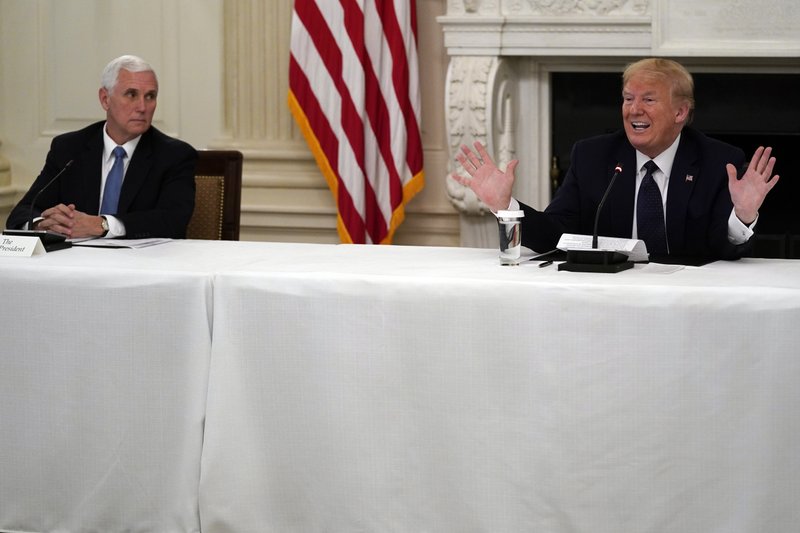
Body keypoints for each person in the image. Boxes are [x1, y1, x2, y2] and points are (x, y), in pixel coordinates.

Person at [452, 57, 780, 261]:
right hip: (613, 297)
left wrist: (743, 216)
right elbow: (556, 234)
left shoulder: (718, 160)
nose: (633, 110)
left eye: (648, 100)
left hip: (690, 301)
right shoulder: (592, 156)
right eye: (627, 98)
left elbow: (725, 251)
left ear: (681, 111)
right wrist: (507, 206)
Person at [6, 55, 197, 239]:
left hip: (141, 265)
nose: (142, 106)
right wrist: (43, 224)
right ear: (105, 99)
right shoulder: (69, 148)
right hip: (76, 263)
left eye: (150, 96)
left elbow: (173, 221)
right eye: (131, 94)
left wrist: (102, 225)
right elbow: (22, 213)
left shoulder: (174, 155)